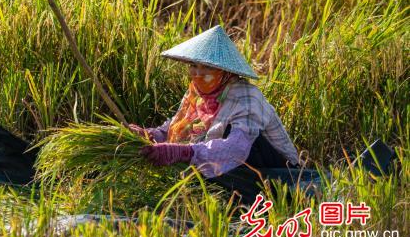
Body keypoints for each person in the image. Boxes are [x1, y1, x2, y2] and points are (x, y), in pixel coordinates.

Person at [127, 25, 302, 203]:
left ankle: (257, 200)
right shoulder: (197, 94)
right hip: (228, 169)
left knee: (225, 135)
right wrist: (149, 136)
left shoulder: (246, 95)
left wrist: (185, 153)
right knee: (201, 146)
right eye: (194, 66)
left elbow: (237, 148)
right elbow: (174, 128)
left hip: (277, 173)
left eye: (207, 67)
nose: (198, 73)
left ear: (225, 71)